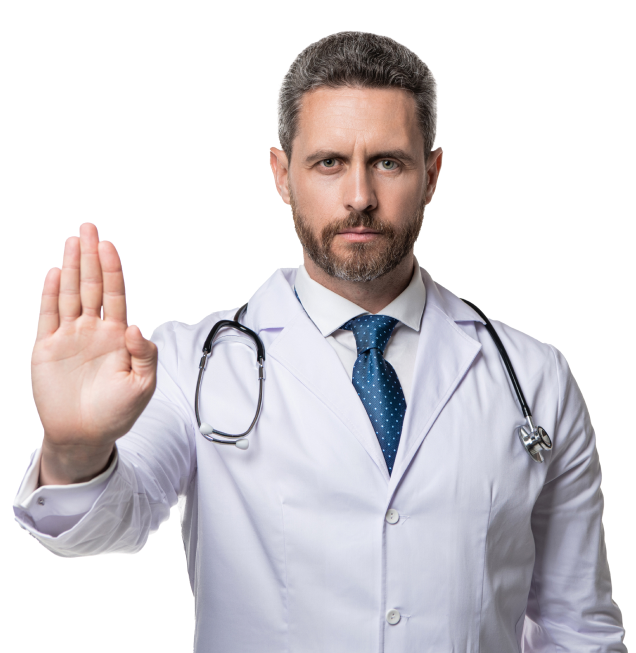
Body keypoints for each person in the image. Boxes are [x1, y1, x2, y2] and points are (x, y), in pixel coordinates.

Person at [14, 30, 626, 652]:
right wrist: (75, 448)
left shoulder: (535, 377)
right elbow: (110, 523)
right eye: (329, 163)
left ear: (433, 174)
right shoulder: (190, 363)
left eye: (388, 162)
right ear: (282, 174)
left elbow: (577, 629)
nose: (359, 197)